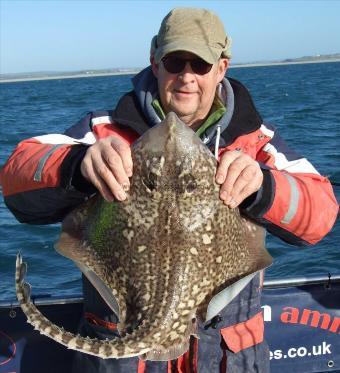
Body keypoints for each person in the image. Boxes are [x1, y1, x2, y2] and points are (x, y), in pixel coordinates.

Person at [1, 7, 338, 373]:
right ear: (155, 61)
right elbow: (17, 172)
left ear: (222, 67)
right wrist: (77, 165)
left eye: (201, 65)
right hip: (125, 353)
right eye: (175, 62)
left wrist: (264, 187)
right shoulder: (103, 131)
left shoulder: (257, 143)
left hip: (228, 358)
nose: (187, 77)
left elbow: (321, 214)